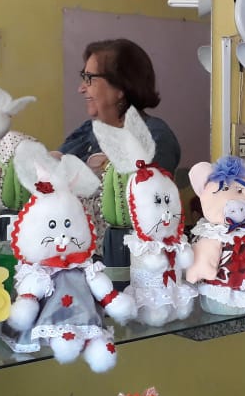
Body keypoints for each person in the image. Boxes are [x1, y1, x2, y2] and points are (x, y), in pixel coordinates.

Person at [55, 38, 181, 269]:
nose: (81, 88)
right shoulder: (88, 131)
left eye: (89, 79)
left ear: (120, 88)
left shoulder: (154, 137)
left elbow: (150, 208)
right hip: (80, 263)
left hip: (131, 267)